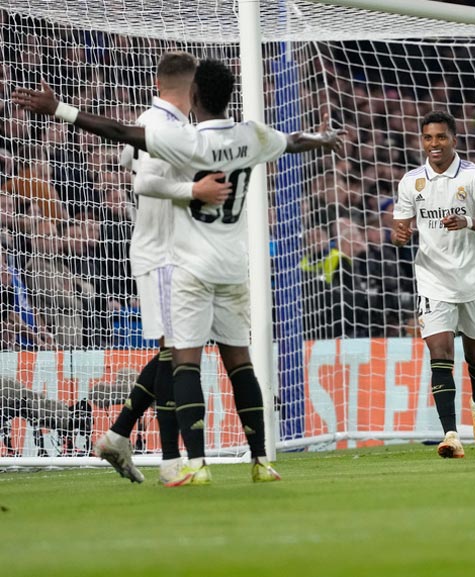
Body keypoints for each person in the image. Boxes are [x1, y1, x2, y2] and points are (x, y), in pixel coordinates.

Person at [14, 59, 344, 483]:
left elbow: (119, 132)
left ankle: (191, 462)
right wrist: (324, 138)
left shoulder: (187, 142)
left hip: (189, 264)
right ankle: (259, 460)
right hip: (231, 265)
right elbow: (294, 140)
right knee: (238, 363)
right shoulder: (252, 135)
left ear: (194, 96)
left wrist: (61, 110)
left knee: (182, 361)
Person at [92, 52, 232, 485]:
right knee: (176, 354)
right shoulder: (164, 126)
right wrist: (193, 188)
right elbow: (141, 181)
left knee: (174, 352)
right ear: (191, 90)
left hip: (166, 249)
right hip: (162, 253)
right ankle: (170, 460)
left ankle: (120, 435)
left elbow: (123, 162)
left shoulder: (152, 120)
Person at [392, 110, 475, 458]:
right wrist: (400, 234)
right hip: (432, 279)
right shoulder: (411, 181)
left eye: (440, 137)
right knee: (439, 352)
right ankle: (451, 435)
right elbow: (400, 230)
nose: (433, 144)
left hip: (471, 280)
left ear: (454, 139)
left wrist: (467, 220)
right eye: (427, 138)